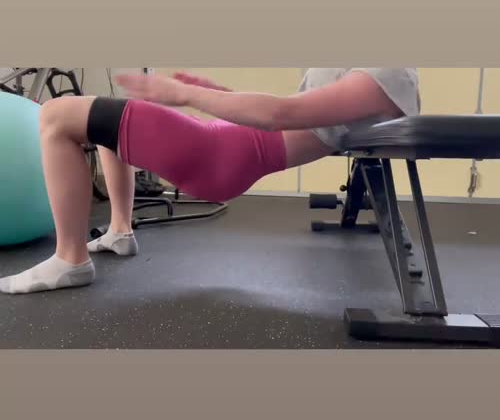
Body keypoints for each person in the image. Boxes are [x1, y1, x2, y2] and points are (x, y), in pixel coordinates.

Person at [0, 68, 420, 295]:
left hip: (218, 156)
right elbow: (293, 117)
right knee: (103, 120)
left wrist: (186, 96)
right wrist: (217, 91)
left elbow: (281, 116)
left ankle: (70, 259)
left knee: (57, 115)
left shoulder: (387, 73)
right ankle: (120, 230)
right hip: (225, 147)